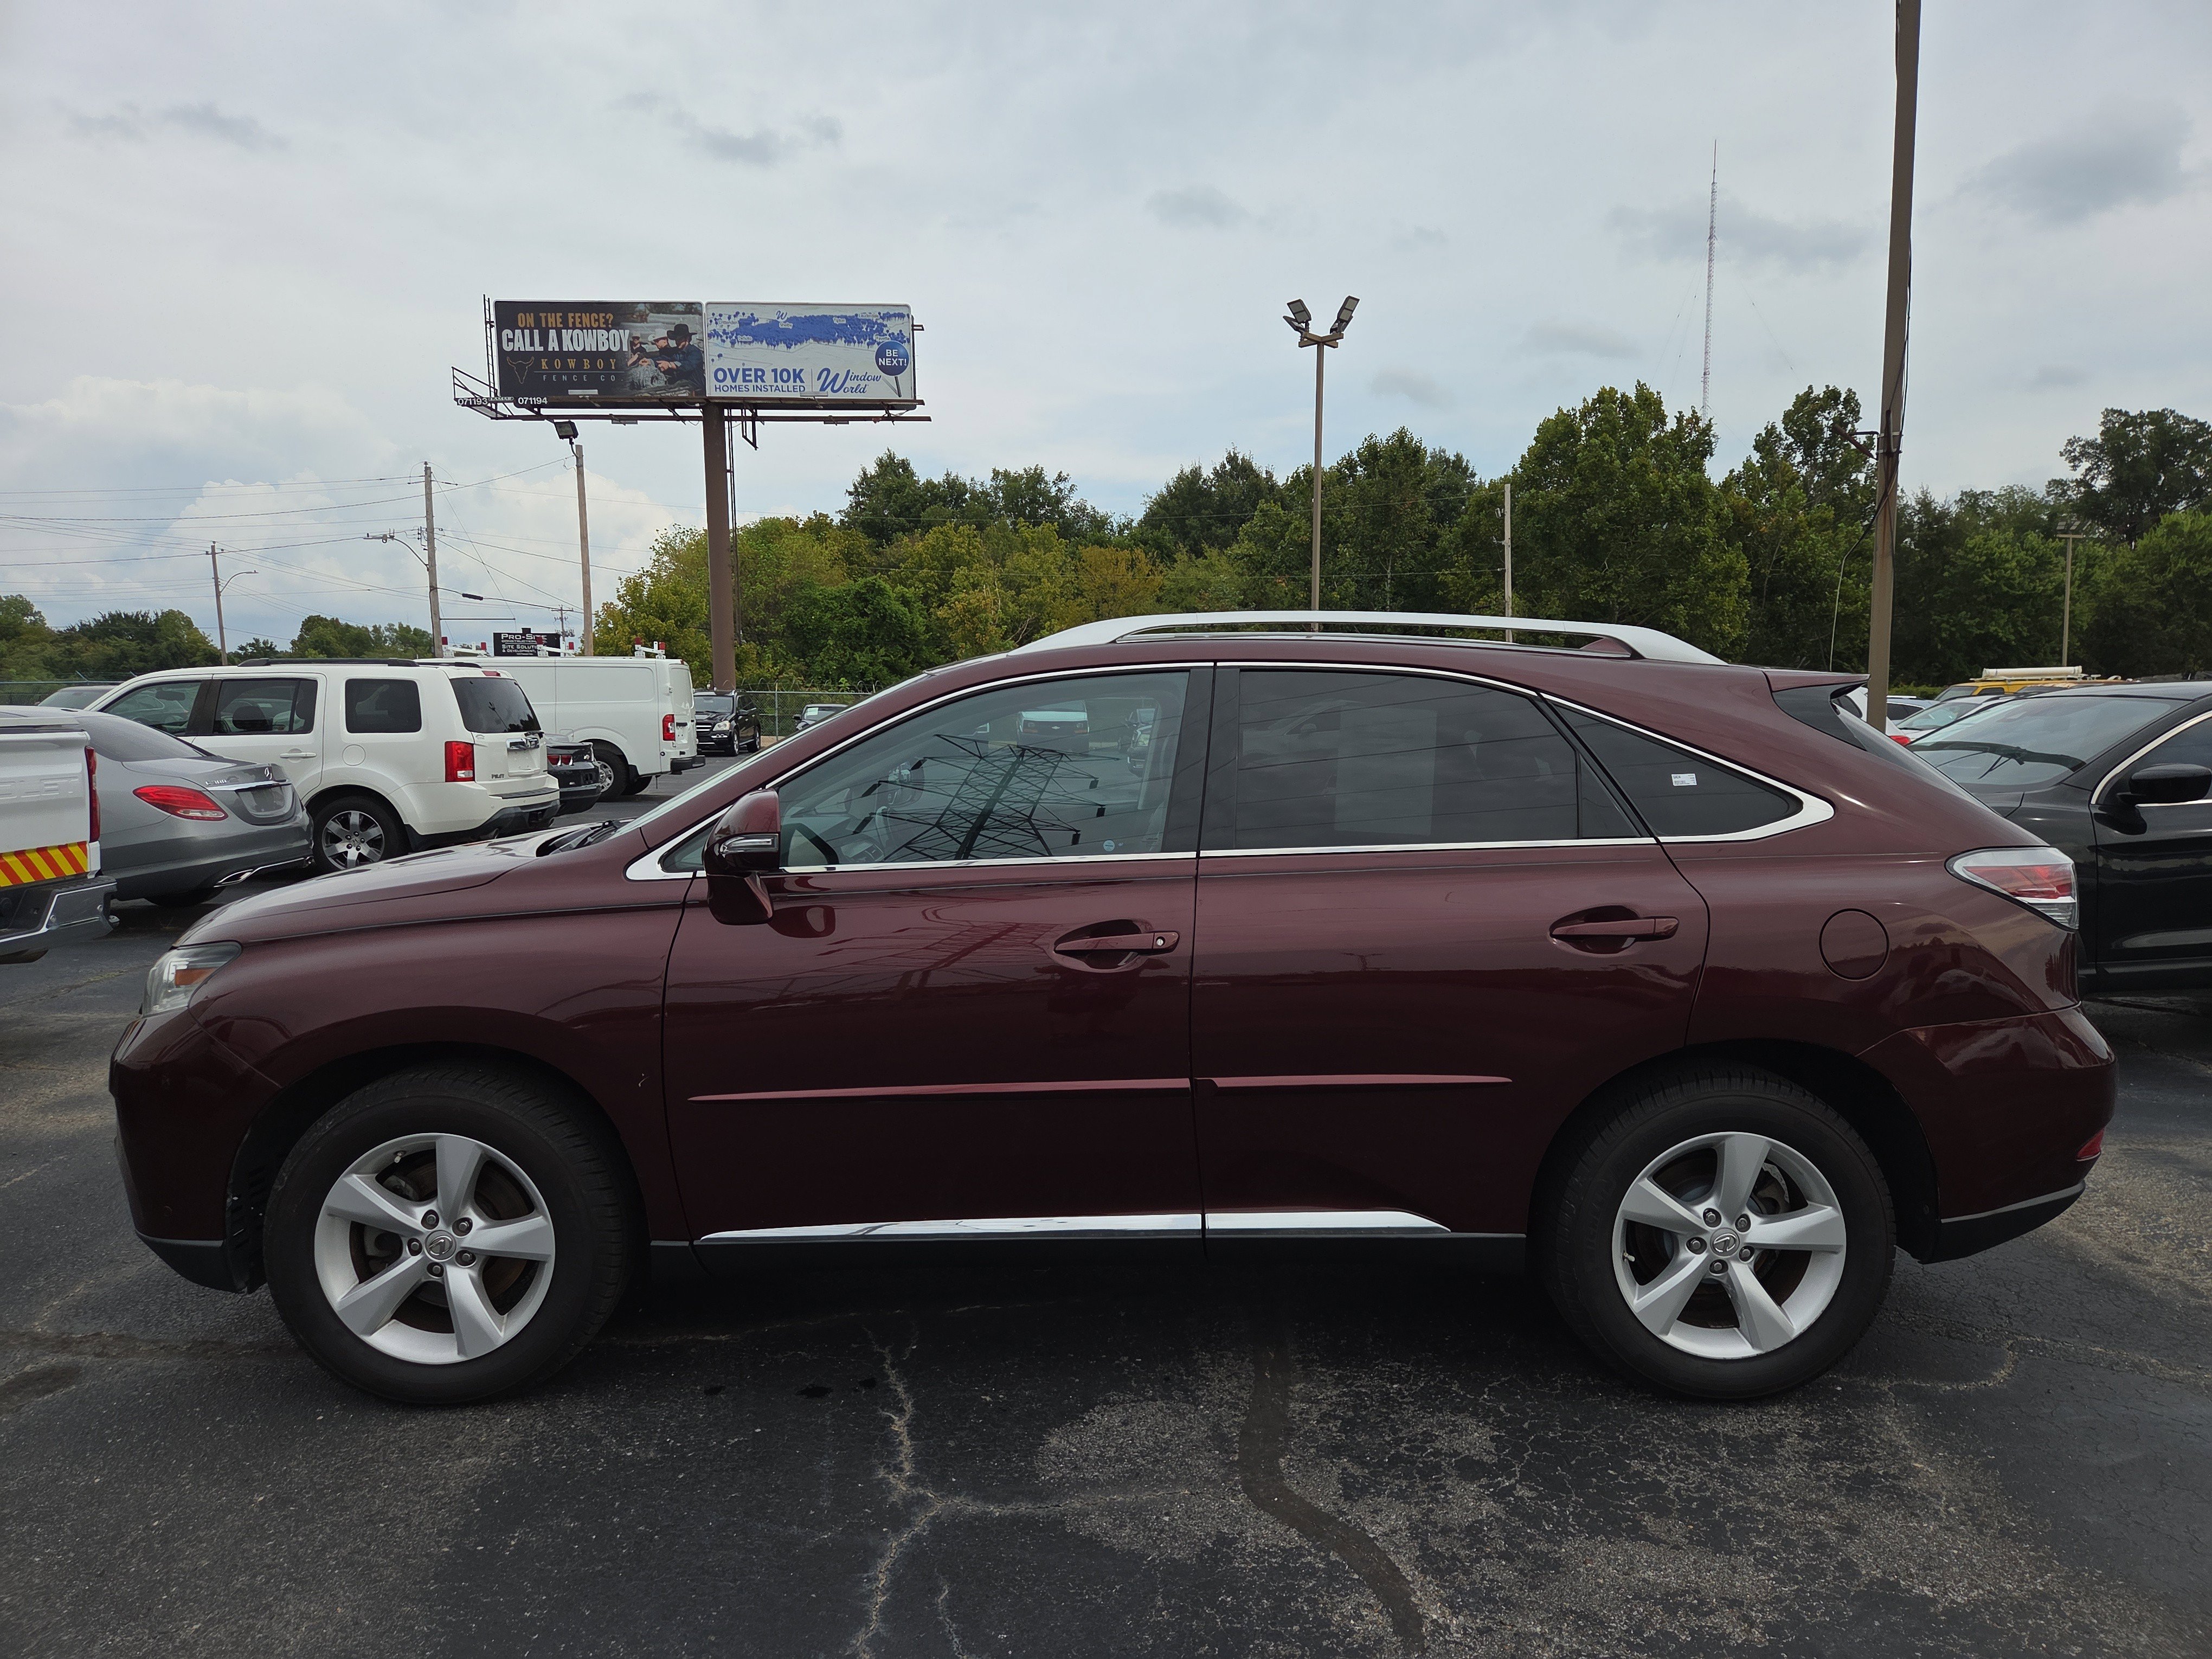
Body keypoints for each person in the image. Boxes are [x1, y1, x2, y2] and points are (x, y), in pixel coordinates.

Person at [646, 321, 703, 395]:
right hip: (681, 386)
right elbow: (666, 358)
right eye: (676, 339)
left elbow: (688, 366)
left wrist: (670, 365)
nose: (677, 342)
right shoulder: (676, 351)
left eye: (680, 339)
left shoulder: (695, 352)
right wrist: (650, 362)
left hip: (695, 389)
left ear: (687, 338)